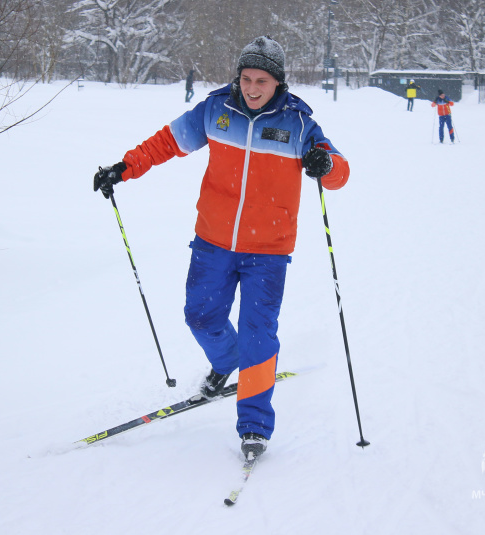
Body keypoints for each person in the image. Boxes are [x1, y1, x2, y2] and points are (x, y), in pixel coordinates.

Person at [93, 36, 350, 461]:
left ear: (277, 83)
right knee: (200, 315)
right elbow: (167, 142)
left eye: (261, 81)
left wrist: (326, 165)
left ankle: (254, 425)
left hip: (268, 251)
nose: (251, 88)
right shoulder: (216, 109)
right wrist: (123, 168)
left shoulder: (299, 124)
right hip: (213, 241)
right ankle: (226, 358)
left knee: (258, 335)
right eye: (246, 78)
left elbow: (338, 170)